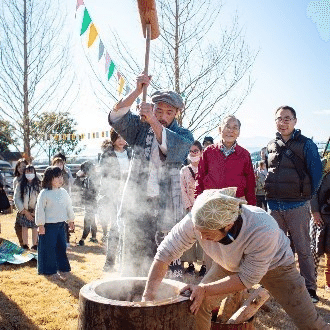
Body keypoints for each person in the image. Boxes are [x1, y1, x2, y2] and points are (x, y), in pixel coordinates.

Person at [142, 187, 330, 330]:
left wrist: (204, 289)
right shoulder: (197, 220)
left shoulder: (263, 228)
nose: (202, 238)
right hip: (230, 262)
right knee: (198, 305)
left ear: (228, 225)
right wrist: (147, 297)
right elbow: (164, 254)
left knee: (309, 322)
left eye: (207, 234)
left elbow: (248, 279)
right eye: (199, 232)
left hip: (277, 266)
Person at [108, 73, 194, 276]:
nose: (163, 115)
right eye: (159, 110)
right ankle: (130, 293)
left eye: (168, 112)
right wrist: (137, 90)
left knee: (164, 258)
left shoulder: (184, 135)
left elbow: (173, 150)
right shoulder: (139, 128)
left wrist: (153, 120)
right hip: (138, 203)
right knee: (133, 253)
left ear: (176, 114)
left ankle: (161, 300)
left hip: (166, 206)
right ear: (152, 107)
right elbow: (116, 117)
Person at [264, 105, 323, 303]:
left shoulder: (307, 145)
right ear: (275, 122)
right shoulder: (271, 145)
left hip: (297, 205)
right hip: (274, 205)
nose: (283, 122)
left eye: (287, 118)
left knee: (303, 247)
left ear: (295, 121)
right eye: (279, 118)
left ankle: (310, 288)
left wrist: (306, 197)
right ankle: (278, 284)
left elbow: (316, 175)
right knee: (276, 248)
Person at [195, 115, 256, 206]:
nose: (230, 131)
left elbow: (250, 184)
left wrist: (251, 207)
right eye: (227, 126)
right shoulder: (208, 152)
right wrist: (197, 202)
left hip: (235, 205)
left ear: (239, 132)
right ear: (220, 130)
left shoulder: (244, 155)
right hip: (211, 204)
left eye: (235, 128)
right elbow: (199, 178)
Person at [99, 130, 132, 272]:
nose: (121, 140)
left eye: (123, 137)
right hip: (113, 195)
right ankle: (109, 263)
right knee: (114, 229)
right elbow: (104, 176)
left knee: (130, 229)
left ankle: (127, 263)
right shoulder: (107, 154)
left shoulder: (131, 152)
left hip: (131, 194)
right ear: (113, 139)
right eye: (118, 137)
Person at [35, 166, 75, 281]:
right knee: (49, 248)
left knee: (61, 247)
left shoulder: (63, 192)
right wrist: (41, 225)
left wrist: (71, 220)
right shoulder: (44, 193)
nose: (60, 179)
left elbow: (69, 207)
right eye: (56, 177)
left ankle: (63, 268)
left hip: (61, 225)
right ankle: (49, 271)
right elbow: (40, 210)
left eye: (61, 176)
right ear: (49, 179)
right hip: (48, 226)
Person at [180, 140, 209, 277]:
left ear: (201, 152)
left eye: (195, 151)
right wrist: (189, 206)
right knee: (188, 235)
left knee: (203, 236)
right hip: (189, 208)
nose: (193, 153)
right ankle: (189, 263)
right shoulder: (184, 171)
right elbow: (182, 189)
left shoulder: (206, 168)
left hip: (203, 208)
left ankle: (203, 264)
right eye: (190, 151)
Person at [310, 155, 330, 291]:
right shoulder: (323, 164)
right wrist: (315, 212)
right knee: (314, 252)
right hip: (320, 216)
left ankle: (329, 284)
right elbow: (312, 191)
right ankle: (310, 285)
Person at [14, 165, 41, 250]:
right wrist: (23, 210)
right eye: (27, 172)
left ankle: (35, 245)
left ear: (34, 173)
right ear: (24, 173)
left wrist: (36, 211)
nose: (29, 174)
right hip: (24, 210)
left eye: (31, 172)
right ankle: (25, 245)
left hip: (35, 210)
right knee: (24, 228)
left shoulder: (39, 185)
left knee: (35, 227)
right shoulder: (20, 184)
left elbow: (41, 198)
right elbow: (16, 198)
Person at [75, 161, 98, 246]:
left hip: (90, 204)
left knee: (87, 221)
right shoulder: (93, 178)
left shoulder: (89, 179)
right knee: (92, 221)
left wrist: (78, 177)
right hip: (93, 203)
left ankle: (82, 240)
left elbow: (78, 187)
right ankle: (94, 238)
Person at [13, 158, 28, 246]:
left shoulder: (33, 177)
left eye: (23, 166)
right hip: (21, 208)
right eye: (19, 167)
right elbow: (16, 196)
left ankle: (36, 244)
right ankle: (23, 244)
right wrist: (21, 209)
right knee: (18, 227)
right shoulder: (16, 180)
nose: (21, 169)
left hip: (31, 206)